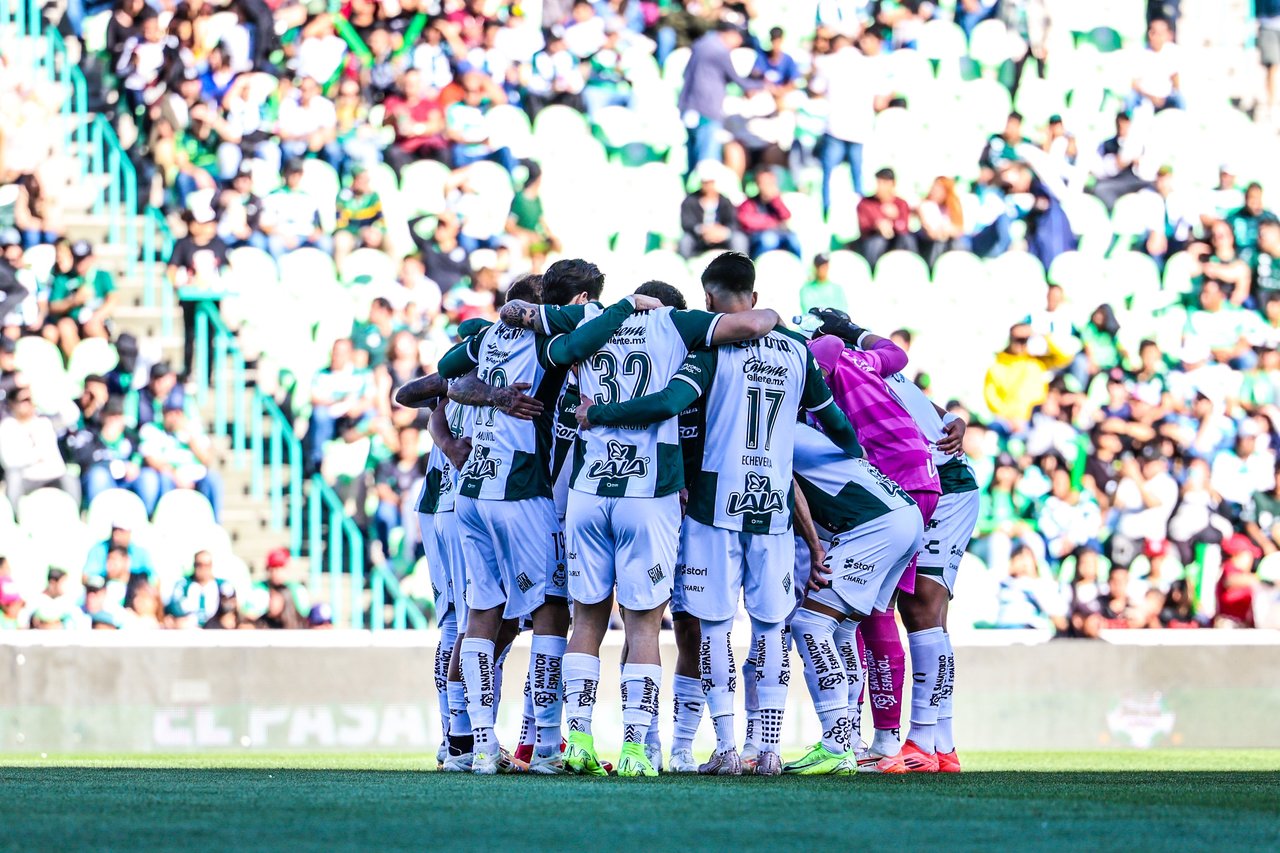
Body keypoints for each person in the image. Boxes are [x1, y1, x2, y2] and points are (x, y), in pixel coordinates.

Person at [573, 252, 861, 776]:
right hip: (772, 509)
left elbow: (668, 402)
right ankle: (767, 748)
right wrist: (857, 462)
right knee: (771, 629)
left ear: (708, 299)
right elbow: (837, 425)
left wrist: (599, 414)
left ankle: (725, 746)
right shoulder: (797, 350)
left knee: (714, 629)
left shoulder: (710, 348)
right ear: (754, 295)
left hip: (713, 505)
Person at [502, 276, 776, 777]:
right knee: (643, 624)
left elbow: (514, 311)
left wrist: (609, 312)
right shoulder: (676, 324)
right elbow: (754, 323)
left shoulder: (592, 318)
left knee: (587, 621)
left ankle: (578, 740)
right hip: (648, 493)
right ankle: (635, 748)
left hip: (589, 489)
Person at [436, 259, 664, 774]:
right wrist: (624, 306)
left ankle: (476, 747)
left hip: (473, 490)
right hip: (524, 490)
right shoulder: (552, 340)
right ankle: (544, 747)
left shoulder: (489, 335)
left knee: (482, 615)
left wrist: (490, 392)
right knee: (552, 610)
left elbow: (445, 374)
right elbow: (579, 343)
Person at [810, 29, 891, 216]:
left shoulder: (828, 63)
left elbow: (816, 88)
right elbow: (881, 100)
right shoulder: (870, 65)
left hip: (835, 128)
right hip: (859, 129)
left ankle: (826, 212)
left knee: (829, 176)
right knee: (857, 178)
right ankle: (862, 216)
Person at [677, 21, 761, 182]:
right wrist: (759, 85)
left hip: (689, 106)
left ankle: (690, 186)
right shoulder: (718, 49)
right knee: (707, 158)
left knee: (692, 153)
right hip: (707, 108)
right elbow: (735, 78)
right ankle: (701, 192)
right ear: (731, 34)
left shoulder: (700, 44)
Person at [167, 205, 230, 382]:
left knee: (210, 336)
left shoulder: (219, 244)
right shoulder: (183, 244)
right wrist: (180, 283)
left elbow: (227, 269)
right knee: (190, 335)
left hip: (212, 300)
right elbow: (172, 269)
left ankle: (208, 375)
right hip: (190, 300)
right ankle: (187, 371)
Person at [137, 401, 224, 519]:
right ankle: (164, 520)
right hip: (170, 475)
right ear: (163, 413)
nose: (174, 417)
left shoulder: (193, 430)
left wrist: (190, 439)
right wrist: (175, 475)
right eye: (170, 413)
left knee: (213, 478)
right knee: (164, 479)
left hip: (195, 476)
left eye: (178, 413)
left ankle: (214, 522)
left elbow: (207, 460)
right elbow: (152, 460)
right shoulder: (152, 430)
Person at [982, 323, 1072, 434]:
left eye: (1026, 339)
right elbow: (992, 399)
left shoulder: (1037, 361)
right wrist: (1011, 418)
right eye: (1018, 339)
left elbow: (1065, 356)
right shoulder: (997, 367)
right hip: (1009, 422)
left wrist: (1042, 335)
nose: (1022, 343)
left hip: (1038, 418)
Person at [0, 386, 80, 509]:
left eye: (31, 399)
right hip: (26, 478)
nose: (29, 403)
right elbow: (8, 462)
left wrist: (49, 395)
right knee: (13, 478)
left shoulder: (44, 421)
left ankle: (76, 512)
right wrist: (36, 456)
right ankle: (15, 517)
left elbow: (72, 415)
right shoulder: (7, 427)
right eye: (24, 400)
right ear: (12, 403)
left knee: (70, 479)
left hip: (53, 475)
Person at [305, 338, 375, 475]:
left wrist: (356, 407)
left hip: (353, 417)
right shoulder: (322, 374)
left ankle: (371, 460)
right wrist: (337, 402)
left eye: (342, 352)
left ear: (350, 354)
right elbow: (315, 398)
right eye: (335, 352)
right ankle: (317, 460)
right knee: (320, 415)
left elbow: (370, 399)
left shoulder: (362, 374)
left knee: (371, 414)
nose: (337, 356)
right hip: (331, 416)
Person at [259, 159, 331, 259]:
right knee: (274, 244)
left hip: (305, 236)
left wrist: (316, 233)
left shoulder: (308, 197)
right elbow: (265, 226)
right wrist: (284, 236)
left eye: (298, 174)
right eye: (292, 173)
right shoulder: (273, 196)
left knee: (325, 242)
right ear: (285, 174)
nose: (295, 177)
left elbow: (317, 225)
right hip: (282, 236)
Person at [678, 166, 748, 258]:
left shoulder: (725, 202)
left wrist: (723, 232)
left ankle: (740, 263)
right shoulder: (690, 201)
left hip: (722, 237)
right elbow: (687, 222)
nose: (708, 186)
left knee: (739, 239)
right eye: (705, 182)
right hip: (699, 237)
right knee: (685, 241)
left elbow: (733, 222)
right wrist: (702, 230)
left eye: (711, 182)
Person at [854, 168, 917, 269]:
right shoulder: (865, 204)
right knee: (877, 242)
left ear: (893, 184)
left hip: (896, 242)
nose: (880, 187)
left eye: (884, 183)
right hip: (873, 242)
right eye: (879, 182)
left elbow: (904, 228)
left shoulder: (901, 204)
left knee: (907, 238)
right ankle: (872, 270)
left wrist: (894, 219)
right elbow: (864, 228)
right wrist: (877, 226)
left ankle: (912, 267)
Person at [736, 170, 801, 258]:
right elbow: (746, 221)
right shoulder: (749, 203)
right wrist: (773, 222)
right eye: (764, 183)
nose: (767, 186)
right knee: (769, 240)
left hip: (779, 234)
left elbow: (786, 217)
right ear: (758, 184)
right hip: (758, 237)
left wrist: (775, 200)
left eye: (770, 183)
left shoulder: (776, 202)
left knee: (793, 240)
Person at [1127, 17, 1184, 113]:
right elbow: (1134, 83)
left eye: (1161, 34)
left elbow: (1175, 80)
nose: (1158, 37)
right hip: (1145, 96)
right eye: (1155, 33)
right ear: (1150, 34)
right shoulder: (1140, 53)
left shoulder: (1172, 51)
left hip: (1166, 97)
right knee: (1130, 98)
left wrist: (1167, 94)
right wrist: (1151, 97)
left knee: (1180, 98)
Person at [917, 176, 966, 267]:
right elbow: (931, 233)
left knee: (958, 242)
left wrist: (946, 231)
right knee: (939, 242)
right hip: (927, 244)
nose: (934, 191)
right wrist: (946, 231)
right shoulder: (926, 205)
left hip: (947, 241)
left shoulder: (952, 207)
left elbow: (959, 230)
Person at [256, 548, 310, 629]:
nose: (276, 572)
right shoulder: (259, 589)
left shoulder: (297, 590)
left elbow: (304, 615)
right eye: (273, 568)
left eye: (280, 567)